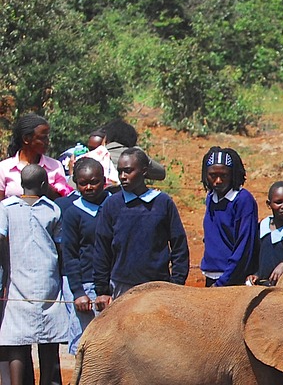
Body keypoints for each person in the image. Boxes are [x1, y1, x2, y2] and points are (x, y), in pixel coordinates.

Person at [0, 164, 74, 385]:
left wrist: (6, 269)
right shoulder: (53, 209)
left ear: (21, 183)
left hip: (18, 279)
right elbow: (60, 245)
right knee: (49, 340)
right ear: (45, 186)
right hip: (48, 279)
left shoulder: (6, 208)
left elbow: (1, 239)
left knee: (16, 340)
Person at [92, 147, 189, 310]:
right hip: (121, 286)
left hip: (158, 287)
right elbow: (102, 248)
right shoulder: (112, 204)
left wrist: (176, 284)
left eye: (128, 171)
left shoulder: (162, 202)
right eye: (120, 171)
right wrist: (102, 289)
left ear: (144, 171)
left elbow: (179, 246)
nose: (122, 177)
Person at [56, 156, 110, 355]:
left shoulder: (114, 207)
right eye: (83, 183)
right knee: (84, 343)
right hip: (86, 283)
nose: (89, 187)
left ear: (104, 181)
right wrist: (78, 292)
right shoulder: (73, 213)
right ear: (76, 184)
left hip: (112, 282)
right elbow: (70, 254)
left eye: (94, 182)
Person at [199, 147, 258, 287]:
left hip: (232, 280)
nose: (218, 181)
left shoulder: (243, 200)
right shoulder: (211, 197)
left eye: (224, 175)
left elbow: (244, 246)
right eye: (213, 175)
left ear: (233, 175)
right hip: (211, 274)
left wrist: (223, 282)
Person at [0, 114, 74, 200]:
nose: (47, 142)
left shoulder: (56, 166)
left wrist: (45, 186)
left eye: (47, 137)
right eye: (43, 138)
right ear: (26, 139)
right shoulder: (4, 168)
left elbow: (61, 201)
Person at [255, 181, 283, 286]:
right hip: (261, 288)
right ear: (268, 204)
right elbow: (255, 260)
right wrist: (255, 275)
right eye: (278, 202)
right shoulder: (260, 229)